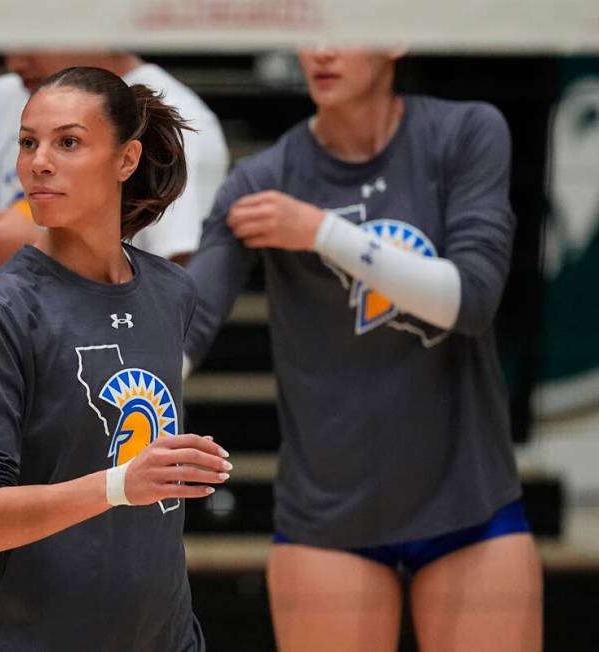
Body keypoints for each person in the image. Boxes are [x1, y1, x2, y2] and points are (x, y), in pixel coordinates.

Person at [184, 47, 543, 651]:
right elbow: (182, 334)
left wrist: (323, 233)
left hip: (468, 507)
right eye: (312, 30)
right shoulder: (262, 180)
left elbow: (473, 300)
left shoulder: (465, 132)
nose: (321, 50)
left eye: (345, 27)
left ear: (396, 35)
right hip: (329, 521)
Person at [0, 66, 232, 651]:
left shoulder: (170, 293)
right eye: (29, 142)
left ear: (126, 160)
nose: (38, 162)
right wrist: (122, 484)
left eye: (67, 142)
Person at [0, 50, 230, 293]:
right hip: (2, 347)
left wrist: (46, 248)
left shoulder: (180, 120)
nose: (13, 60)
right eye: (26, 142)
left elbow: (178, 294)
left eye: (68, 142)